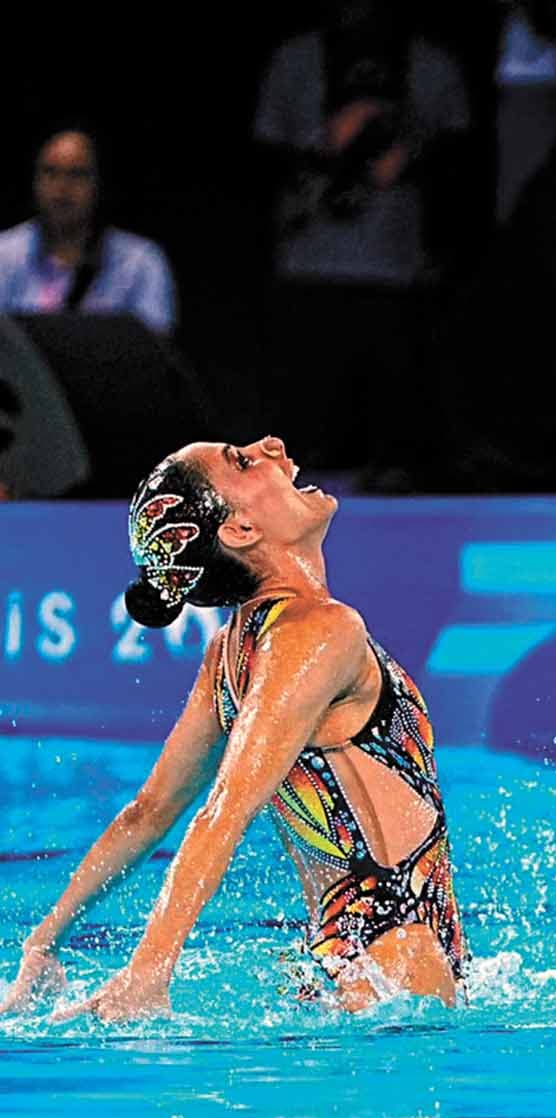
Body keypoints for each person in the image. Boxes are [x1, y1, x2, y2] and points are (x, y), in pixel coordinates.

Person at [1, 438, 461, 1021]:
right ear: (241, 530)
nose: (270, 446)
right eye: (242, 462)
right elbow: (225, 808)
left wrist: (44, 942)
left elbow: (149, 812)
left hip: (346, 960)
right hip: (393, 963)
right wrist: (148, 973)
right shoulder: (322, 631)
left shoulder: (232, 653)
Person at [253, 0, 471, 483]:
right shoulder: (295, 61)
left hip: (399, 275)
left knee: (397, 441)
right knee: (309, 439)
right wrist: (332, 159)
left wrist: (401, 155)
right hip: (309, 270)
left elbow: (457, 170)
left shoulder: (431, 66)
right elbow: (266, 160)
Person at [0, 128, 177, 333]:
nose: (62, 187)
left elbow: (153, 345)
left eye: (77, 174)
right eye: (50, 172)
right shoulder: (4, 255)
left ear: (100, 183)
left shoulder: (141, 263)